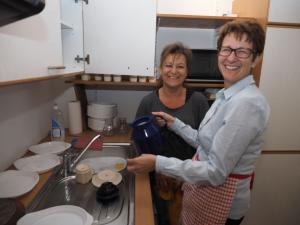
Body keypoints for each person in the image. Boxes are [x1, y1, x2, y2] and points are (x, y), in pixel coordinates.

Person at [128, 20, 270, 225]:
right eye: (226, 49)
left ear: (256, 58)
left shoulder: (247, 104)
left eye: (242, 51)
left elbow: (215, 172)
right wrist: (174, 122)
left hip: (222, 201)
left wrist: (157, 163)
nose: (231, 57)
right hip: (204, 193)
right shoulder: (227, 96)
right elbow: (205, 141)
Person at [135, 42, 209, 225]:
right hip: (159, 180)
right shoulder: (148, 102)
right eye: (168, 65)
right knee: (164, 220)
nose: (173, 71)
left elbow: (207, 144)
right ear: (160, 69)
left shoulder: (199, 101)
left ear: (187, 71)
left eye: (180, 66)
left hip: (192, 181)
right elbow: (136, 141)